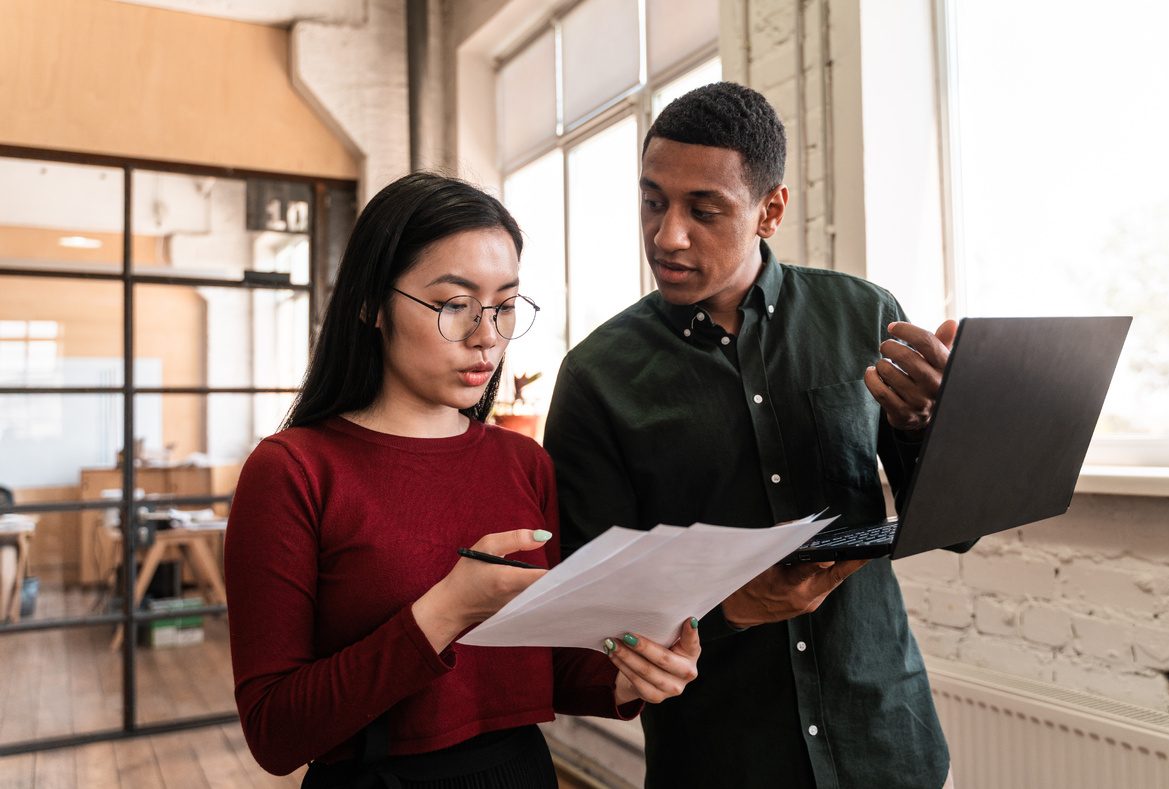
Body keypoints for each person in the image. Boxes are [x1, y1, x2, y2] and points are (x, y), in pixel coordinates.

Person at [543, 82, 966, 788]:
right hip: (722, 756)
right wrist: (729, 610)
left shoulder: (866, 314)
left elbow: (956, 530)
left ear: (771, 209)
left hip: (888, 745)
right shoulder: (595, 377)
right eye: (653, 201)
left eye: (704, 210)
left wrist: (921, 426)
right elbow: (592, 615)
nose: (666, 235)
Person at [224, 172, 701, 788]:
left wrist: (630, 673)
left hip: (520, 772)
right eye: (455, 305)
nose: (487, 336)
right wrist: (446, 610)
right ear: (370, 302)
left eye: (504, 306)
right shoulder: (294, 471)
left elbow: (542, 665)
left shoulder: (521, 463)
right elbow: (275, 731)